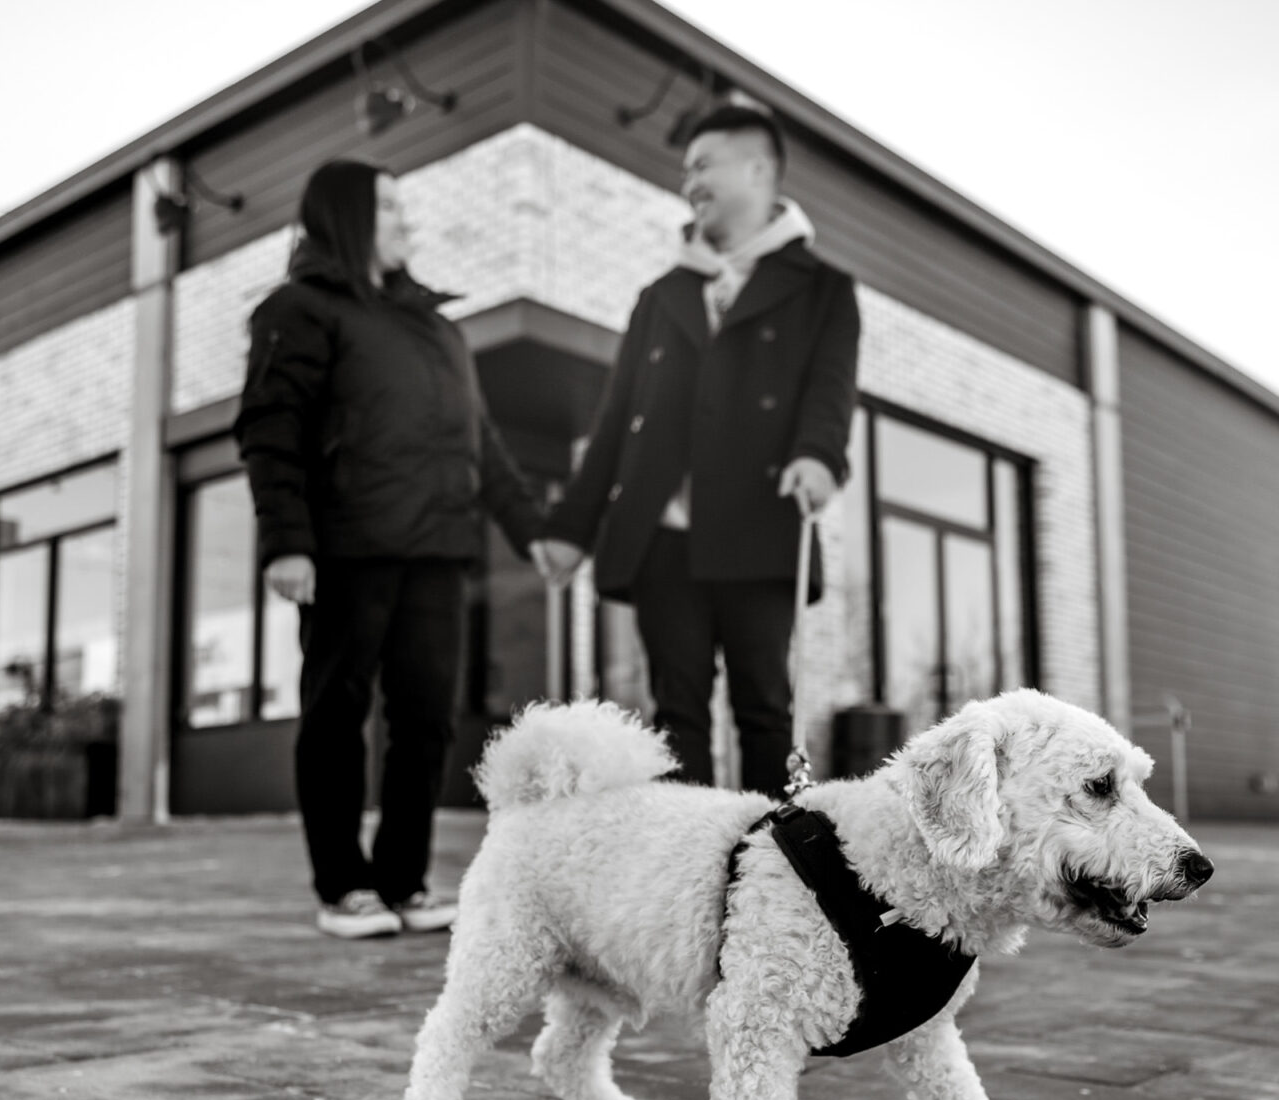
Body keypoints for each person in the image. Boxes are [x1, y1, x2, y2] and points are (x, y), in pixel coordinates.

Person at [235, 159, 550, 939]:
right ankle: (344, 885)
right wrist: (286, 541)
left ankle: (404, 879)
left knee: (426, 720)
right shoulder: (298, 309)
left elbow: (482, 444)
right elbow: (271, 429)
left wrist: (531, 529)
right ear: (344, 217)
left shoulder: (438, 328)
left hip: (438, 549)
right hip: (346, 546)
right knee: (338, 713)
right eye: (390, 205)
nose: (407, 219)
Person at [534, 105, 860, 798]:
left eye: (703, 165)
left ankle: (777, 877)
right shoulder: (661, 296)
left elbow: (829, 395)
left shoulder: (823, 290)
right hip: (664, 540)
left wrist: (820, 457)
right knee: (674, 714)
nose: (690, 183)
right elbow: (619, 419)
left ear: (758, 169)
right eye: (687, 171)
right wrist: (570, 527)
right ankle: (689, 870)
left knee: (765, 709)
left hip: (761, 526)